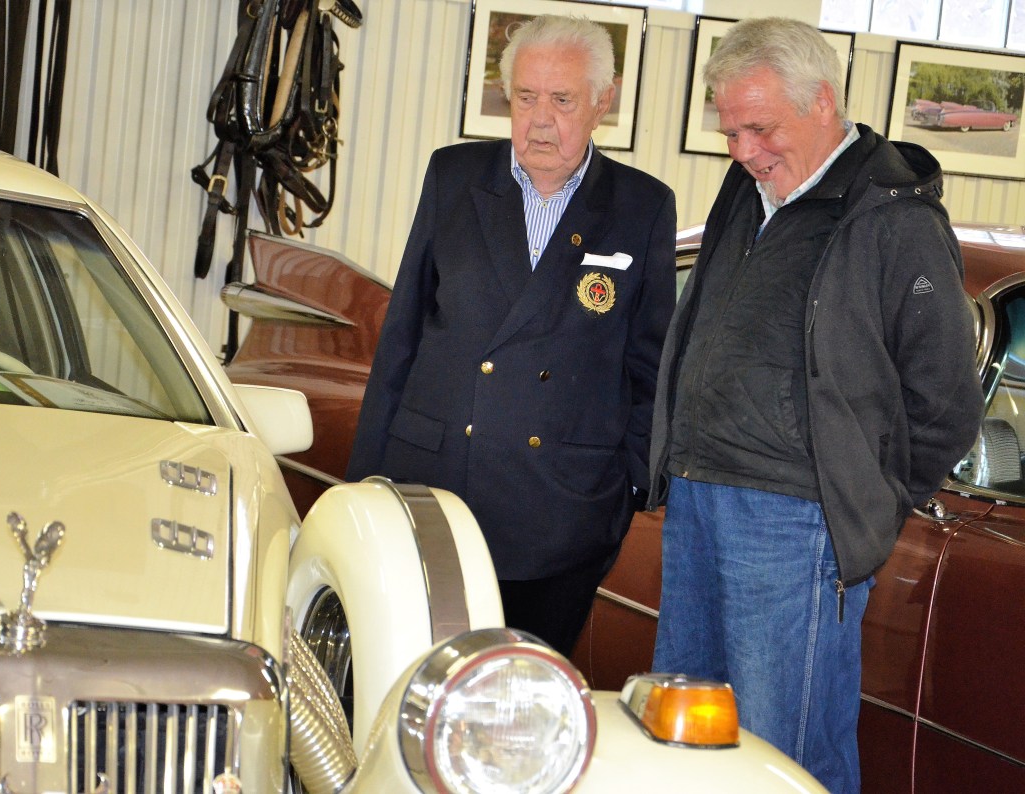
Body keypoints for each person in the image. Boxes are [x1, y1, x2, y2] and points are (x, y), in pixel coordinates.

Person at [647, 17, 983, 794]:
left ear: (822, 102)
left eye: (761, 129)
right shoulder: (748, 188)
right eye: (731, 132)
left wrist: (862, 502)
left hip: (796, 521)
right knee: (683, 735)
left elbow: (944, 402)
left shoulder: (896, 220)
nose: (743, 151)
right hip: (697, 497)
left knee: (786, 756)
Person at [346, 14, 676, 657]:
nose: (540, 120)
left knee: (525, 688)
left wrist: (630, 487)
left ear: (602, 103)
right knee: (417, 681)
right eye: (525, 98)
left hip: (561, 512)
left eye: (562, 100)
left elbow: (652, 361)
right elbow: (402, 333)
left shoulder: (641, 206)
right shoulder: (454, 176)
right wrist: (367, 477)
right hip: (437, 492)